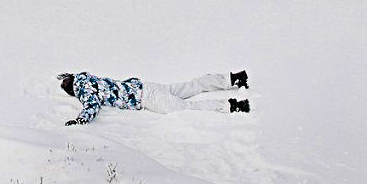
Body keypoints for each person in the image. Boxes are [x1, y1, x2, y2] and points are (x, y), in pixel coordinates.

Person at [57, 70, 249, 125]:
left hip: (147, 98)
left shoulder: (85, 91)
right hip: (147, 86)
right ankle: (232, 78)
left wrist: (80, 120)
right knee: (192, 86)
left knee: (186, 108)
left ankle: (232, 106)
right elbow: (71, 75)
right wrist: (64, 76)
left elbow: (91, 106)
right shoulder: (88, 77)